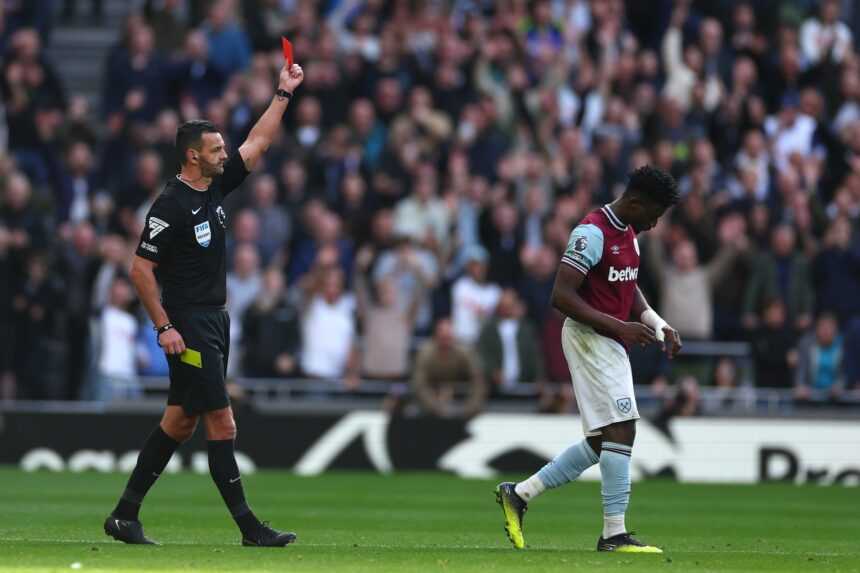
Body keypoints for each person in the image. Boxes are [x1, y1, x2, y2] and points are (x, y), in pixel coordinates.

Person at [104, 62, 304, 547]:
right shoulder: (169, 206)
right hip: (190, 326)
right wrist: (163, 327)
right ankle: (249, 529)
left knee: (179, 421)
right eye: (215, 149)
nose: (224, 154)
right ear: (193, 156)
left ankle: (124, 516)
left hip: (215, 320)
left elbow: (257, 144)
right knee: (223, 420)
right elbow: (139, 269)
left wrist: (283, 93)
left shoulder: (212, 186)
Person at [495, 166, 682, 554]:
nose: (654, 223)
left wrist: (657, 323)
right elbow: (560, 296)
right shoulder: (592, 232)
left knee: (602, 441)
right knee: (622, 428)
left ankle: (520, 494)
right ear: (634, 202)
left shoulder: (629, 233)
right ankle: (614, 534)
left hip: (610, 339)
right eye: (654, 214)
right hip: (589, 337)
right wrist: (621, 326)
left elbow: (627, 286)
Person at [411, 318, 487, 418]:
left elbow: (478, 380)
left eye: (449, 337)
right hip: (431, 399)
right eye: (443, 337)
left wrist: (470, 408)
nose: (446, 341)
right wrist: (436, 407)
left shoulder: (464, 352)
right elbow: (419, 384)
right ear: (436, 337)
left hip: (460, 397)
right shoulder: (425, 353)